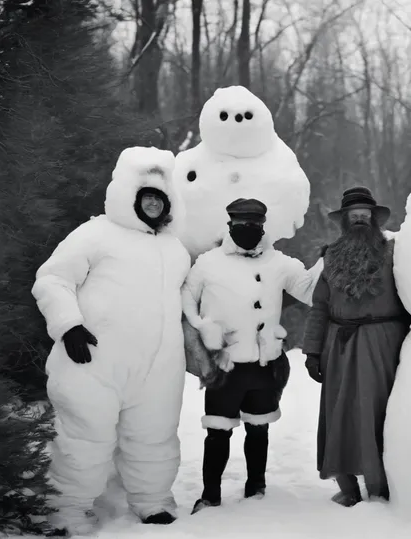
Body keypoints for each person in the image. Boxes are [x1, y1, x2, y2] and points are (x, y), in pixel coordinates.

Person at [32, 147, 192, 535]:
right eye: (146, 197)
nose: (152, 204)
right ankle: (65, 510)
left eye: (159, 198)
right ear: (130, 197)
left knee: (154, 437)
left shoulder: (175, 249)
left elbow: (188, 302)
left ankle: (152, 501)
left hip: (157, 368)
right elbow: (52, 279)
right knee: (84, 438)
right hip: (94, 361)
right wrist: (68, 325)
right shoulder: (96, 233)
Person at [181, 197, 323, 513]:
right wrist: (202, 331)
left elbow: (310, 291)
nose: (248, 229)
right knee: (217, 433)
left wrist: (328, 261)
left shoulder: (279, 263)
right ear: (230, 225)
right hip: (224, 366)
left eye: (255, 224)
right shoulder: (208, 263)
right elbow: (186, 300)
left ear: (263, 227)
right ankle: (209, 495)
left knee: (258, 429)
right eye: (242, 224)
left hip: (264, 365)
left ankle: (255, 488)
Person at [302, 186, 411, 507]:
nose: (360, 219)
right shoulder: (331, 256)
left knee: (379, 415)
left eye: (365, 214)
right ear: (345, 220)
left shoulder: (394, 252)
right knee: (340, 415)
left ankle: (382, 487)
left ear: (374, 219)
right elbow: (320, 306)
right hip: (340, 346)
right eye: (354, 215)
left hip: (384, 344)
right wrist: (311, 351)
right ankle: (348, 486)